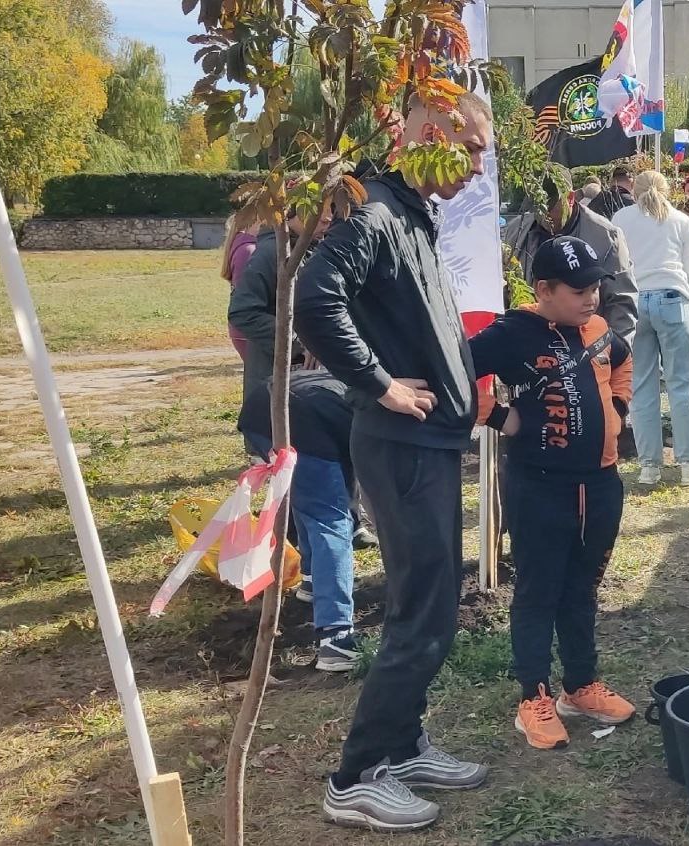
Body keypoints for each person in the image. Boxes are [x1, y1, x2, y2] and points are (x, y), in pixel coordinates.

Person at [294, 91, 494, 832]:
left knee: (434, 606)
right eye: (470, 149)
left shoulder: (410, 213)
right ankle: (357, 777)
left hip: (431, 444)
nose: (477, 167)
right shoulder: (375, 210)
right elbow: (316, 299)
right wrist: (378, 384)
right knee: (421, 614)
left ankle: (402, 744)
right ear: (430, 134)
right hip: (402, 447)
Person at [470, 235, 636, 750]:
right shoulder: (513, 333)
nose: (591, 297)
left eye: (596, 287)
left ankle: (580, 685)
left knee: (583, 589)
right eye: (580, 289)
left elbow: (625, 359)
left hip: (602, 485)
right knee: (539, 590)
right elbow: (456, 368)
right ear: (544, 289)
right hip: (539, 488)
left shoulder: (600, 330)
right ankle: (533, 697)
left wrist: (619, 408)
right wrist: (497, 416)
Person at [238, 370, 359, 672]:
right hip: (303, 420)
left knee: (311, 499)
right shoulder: (388, 414)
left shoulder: (360, 382)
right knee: (332, 520)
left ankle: (313, 581)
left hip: (262, 409)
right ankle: (336, 639)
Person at [613, 170, 689, 487]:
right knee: (682, 386)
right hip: (673, 299)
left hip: (637, 302)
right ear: (667, 190)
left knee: (641, 387)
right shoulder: (681, 221)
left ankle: (649, 466)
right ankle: (688, 464)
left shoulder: (621, 218)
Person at [504, 163, 638, 343]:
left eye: (550, 206)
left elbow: (622, 301)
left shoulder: (606, 236)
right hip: (529, 344)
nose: (544, 214)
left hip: (586, 346)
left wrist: (616, 353)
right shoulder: (516, 232)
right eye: (538, 206)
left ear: (570, 198)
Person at [228, 203, 334, 401]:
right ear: (294, 211)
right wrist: (301, 342)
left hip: (305, 380)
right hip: (275, 377)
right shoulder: (271, 253)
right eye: (319, 209)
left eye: (331, 210)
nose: (327, 219)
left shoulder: (313, 249)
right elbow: (243, 312)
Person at [220, 215, 257, 363]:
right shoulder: (248, 251)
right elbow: (246, 298)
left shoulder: (246, 247)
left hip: (247, 330)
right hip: (248, 331)